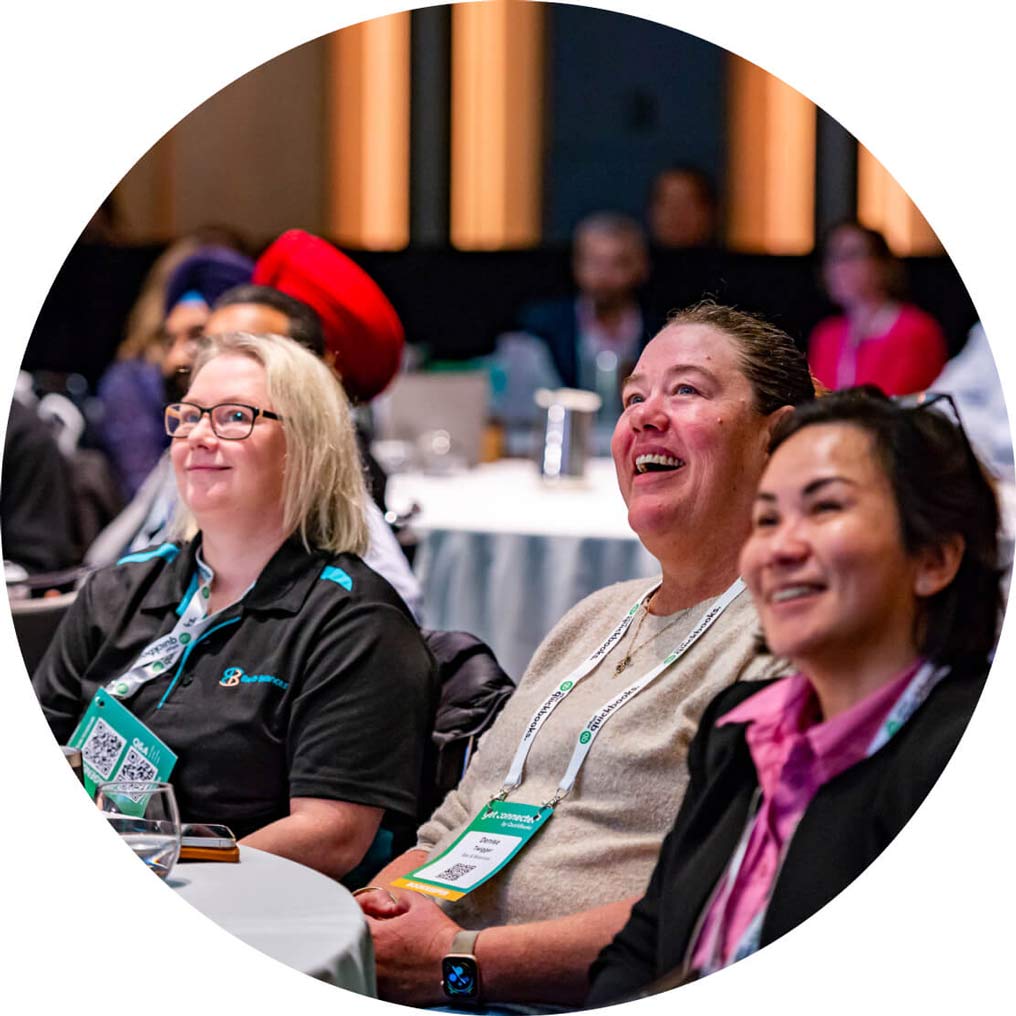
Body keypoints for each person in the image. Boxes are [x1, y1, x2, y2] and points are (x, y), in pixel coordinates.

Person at [357, 302, 816, 1008]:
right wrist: (371, 919)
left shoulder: (784, 644)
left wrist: (457, 962)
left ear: (778, 440)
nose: (645, 416)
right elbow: (459, 821)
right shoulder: (591, 620)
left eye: (686, 390)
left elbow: (718, 905)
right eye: (634, 396)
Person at [587, 386, 1002, 1003]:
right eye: (767, 519)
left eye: (826, 508)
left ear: (934, 559)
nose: (780, 549)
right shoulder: (737, 727)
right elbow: (644, 944)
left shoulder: (963, 758)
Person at [33, 333, 437, 881]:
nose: (199, 436)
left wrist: (166, 871)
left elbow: (331, 833)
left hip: (235, 905)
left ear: (306, 444)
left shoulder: (356, 622)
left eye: (233, 417)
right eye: (189, 415)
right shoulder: (120, 588)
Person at [86, 234, 424, 621]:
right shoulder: (190, 443)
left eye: (248, 349)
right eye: (208, 346)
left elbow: (392, 607)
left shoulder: (306, 470)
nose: (216, 360)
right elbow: (108, 562)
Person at [96, 233, 252, 497]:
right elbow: (148, 495)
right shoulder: (131, 380)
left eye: (197, 336)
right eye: (170, 341)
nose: (176, 360)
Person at [808, 221, 948, 395]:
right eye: (833, 257)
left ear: (882, 265)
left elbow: (899, 402)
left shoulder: (915, 330)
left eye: (851, 255)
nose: (838, 268)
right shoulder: (827, 335)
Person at [647, 164, 719, 250]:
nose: (677, 214)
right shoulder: (638, 260)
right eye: (667, 203)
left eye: (687, 204)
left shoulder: (734, 262)